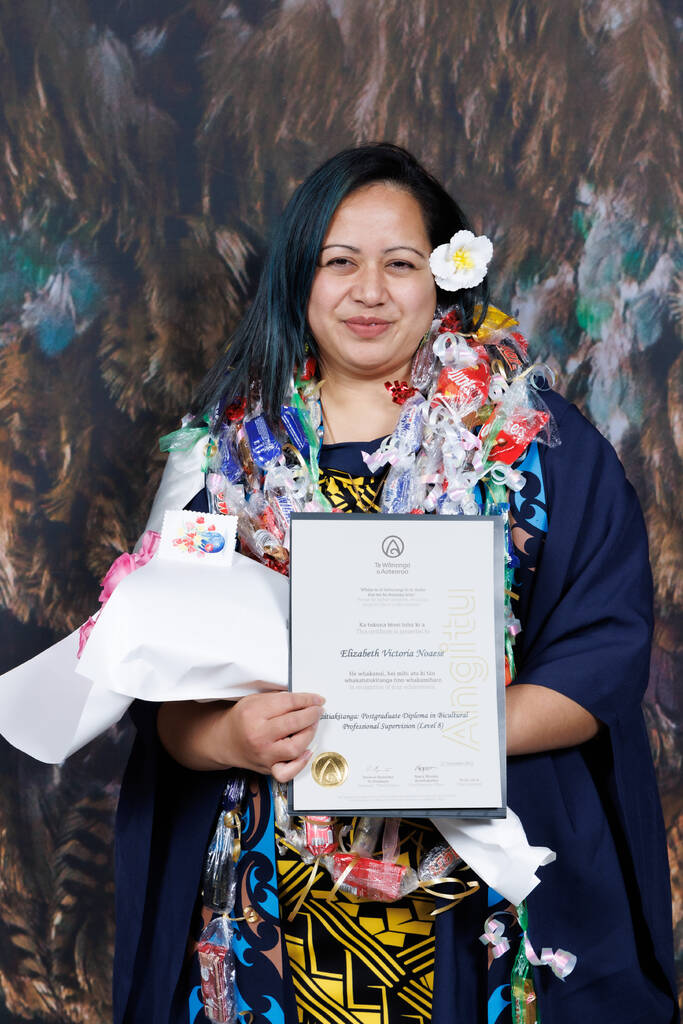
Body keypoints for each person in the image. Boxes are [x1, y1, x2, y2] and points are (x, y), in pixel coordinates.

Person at [114, 144, 678, 1023]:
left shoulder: (538, 447)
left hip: (479, 897)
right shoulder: (221, 463)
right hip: (274, 907)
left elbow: (601, 659)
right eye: (339, 261)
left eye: (401, 263)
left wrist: (444, 735)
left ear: (444, 275)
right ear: (299, 277)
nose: (368, 291)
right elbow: (164, 705)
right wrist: (231, 735)